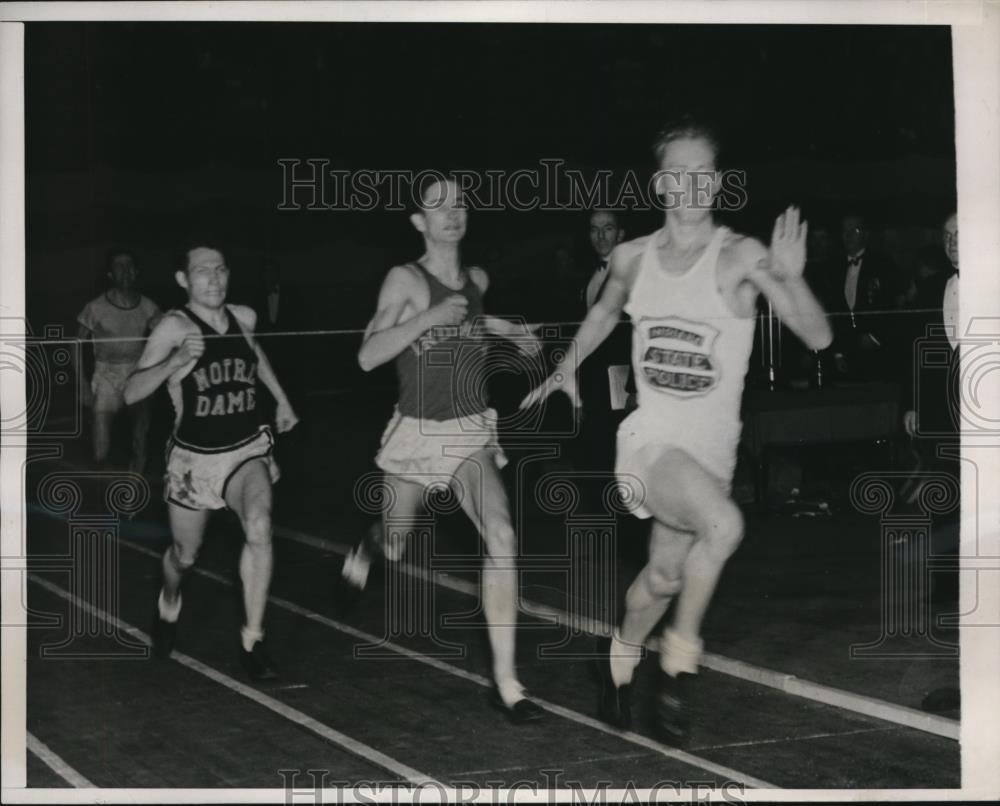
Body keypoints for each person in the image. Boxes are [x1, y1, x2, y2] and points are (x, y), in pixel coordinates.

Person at [522, 117, 832, 743]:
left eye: (703, 174)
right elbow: (605, 311)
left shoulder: (742, 255)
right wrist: (564, 368)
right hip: (649, 443)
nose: (690, 185)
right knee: (724, 524)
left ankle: (615, 662)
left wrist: (792, 276)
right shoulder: (632, 257)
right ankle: (677, 663)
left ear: (716, 184)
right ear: (660, 185)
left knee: (665, 578)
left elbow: (819, 336)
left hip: (711, 453)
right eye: (678, 174)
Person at [339, 175, 545, 723]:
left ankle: (506, 683)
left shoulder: (478, 277)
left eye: (460, 204)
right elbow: (367, 356)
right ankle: (369, 545)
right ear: (419, 222)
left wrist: (507, 331)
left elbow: (469, 317)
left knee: (502, 535)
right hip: (415, 431)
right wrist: (428, 316)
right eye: (439, 206)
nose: (453, 214)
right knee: (397, 546)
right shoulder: (403, 280)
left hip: (468, 430)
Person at [124, 242, 299, 681]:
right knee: (186, 554)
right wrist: (176, 361)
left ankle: (252, 639)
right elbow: (131, 392)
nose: (215, 278)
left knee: (259, 525)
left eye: (220, 269)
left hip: (246, 449)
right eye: (203, 271)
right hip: (194, 460)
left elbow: (254, 355)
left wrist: (280, 399)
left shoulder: (245, 316)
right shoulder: (173, 326)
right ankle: (168, 600)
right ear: (183, 280)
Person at [76, 250, 161, 472]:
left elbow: (166, 338)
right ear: (110, 273)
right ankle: (101, 495)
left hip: (137, 375)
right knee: (100, 450)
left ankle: (133, 497)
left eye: (130, 265)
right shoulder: (95, 307)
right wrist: (82, 384)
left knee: (140, 439)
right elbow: (73, 344)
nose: (125, 271)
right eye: (119, 266)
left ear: (137, 272)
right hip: (106, 377)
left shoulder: (149, 307)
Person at [829, 213, 901, 381]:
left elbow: (896, 304)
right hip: (846, 354)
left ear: (866, 234)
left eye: (854, 230)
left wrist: (876, 337)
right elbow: (833, 310)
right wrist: (838, 353)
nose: (848, 236)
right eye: (844, 231)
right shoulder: (833, 267)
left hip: (878, 352)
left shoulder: (883, 263)